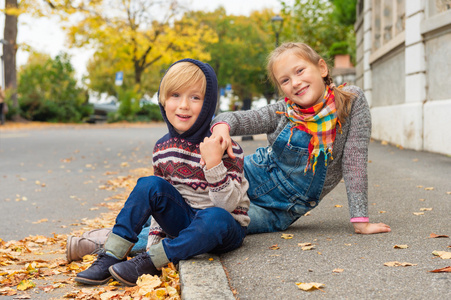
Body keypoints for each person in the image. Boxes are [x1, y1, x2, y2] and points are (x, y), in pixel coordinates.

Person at [74, 58, 250, 286]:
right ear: (163, 100)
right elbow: (159, 206)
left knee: (213, 216)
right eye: (175, 95)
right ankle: (111, 255)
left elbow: (228, 207)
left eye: (195, 97)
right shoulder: (162, 148)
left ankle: (152, 262)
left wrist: (214, 164)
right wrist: (153, 242)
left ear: (208, 105)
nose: (184, 105)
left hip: (224, 228)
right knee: (149, 185)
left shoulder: (227, 147)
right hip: (183, 220)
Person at [210, 42, 390, 235]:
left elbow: (354, 160)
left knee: (217, 223)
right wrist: (222, 126)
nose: (295, 82)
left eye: (300, 71)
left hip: (279, 211)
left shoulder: (350, 102)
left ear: (322, 68)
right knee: (192, 190)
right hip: (249, 174)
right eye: (285, 80)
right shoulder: (282, 111)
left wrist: (360, 219)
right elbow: (235, 118)